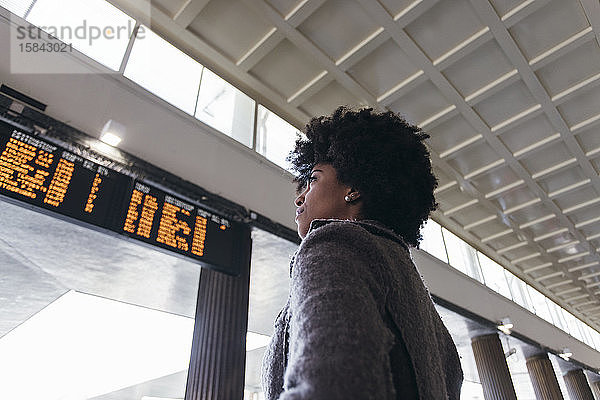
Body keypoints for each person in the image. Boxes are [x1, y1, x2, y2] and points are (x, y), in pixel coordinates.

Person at [261, 106, 463, 399]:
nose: (300, 197)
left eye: (313, 179)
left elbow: (330, 385)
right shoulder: (425, 310)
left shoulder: (333, 244)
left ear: (354, 188)